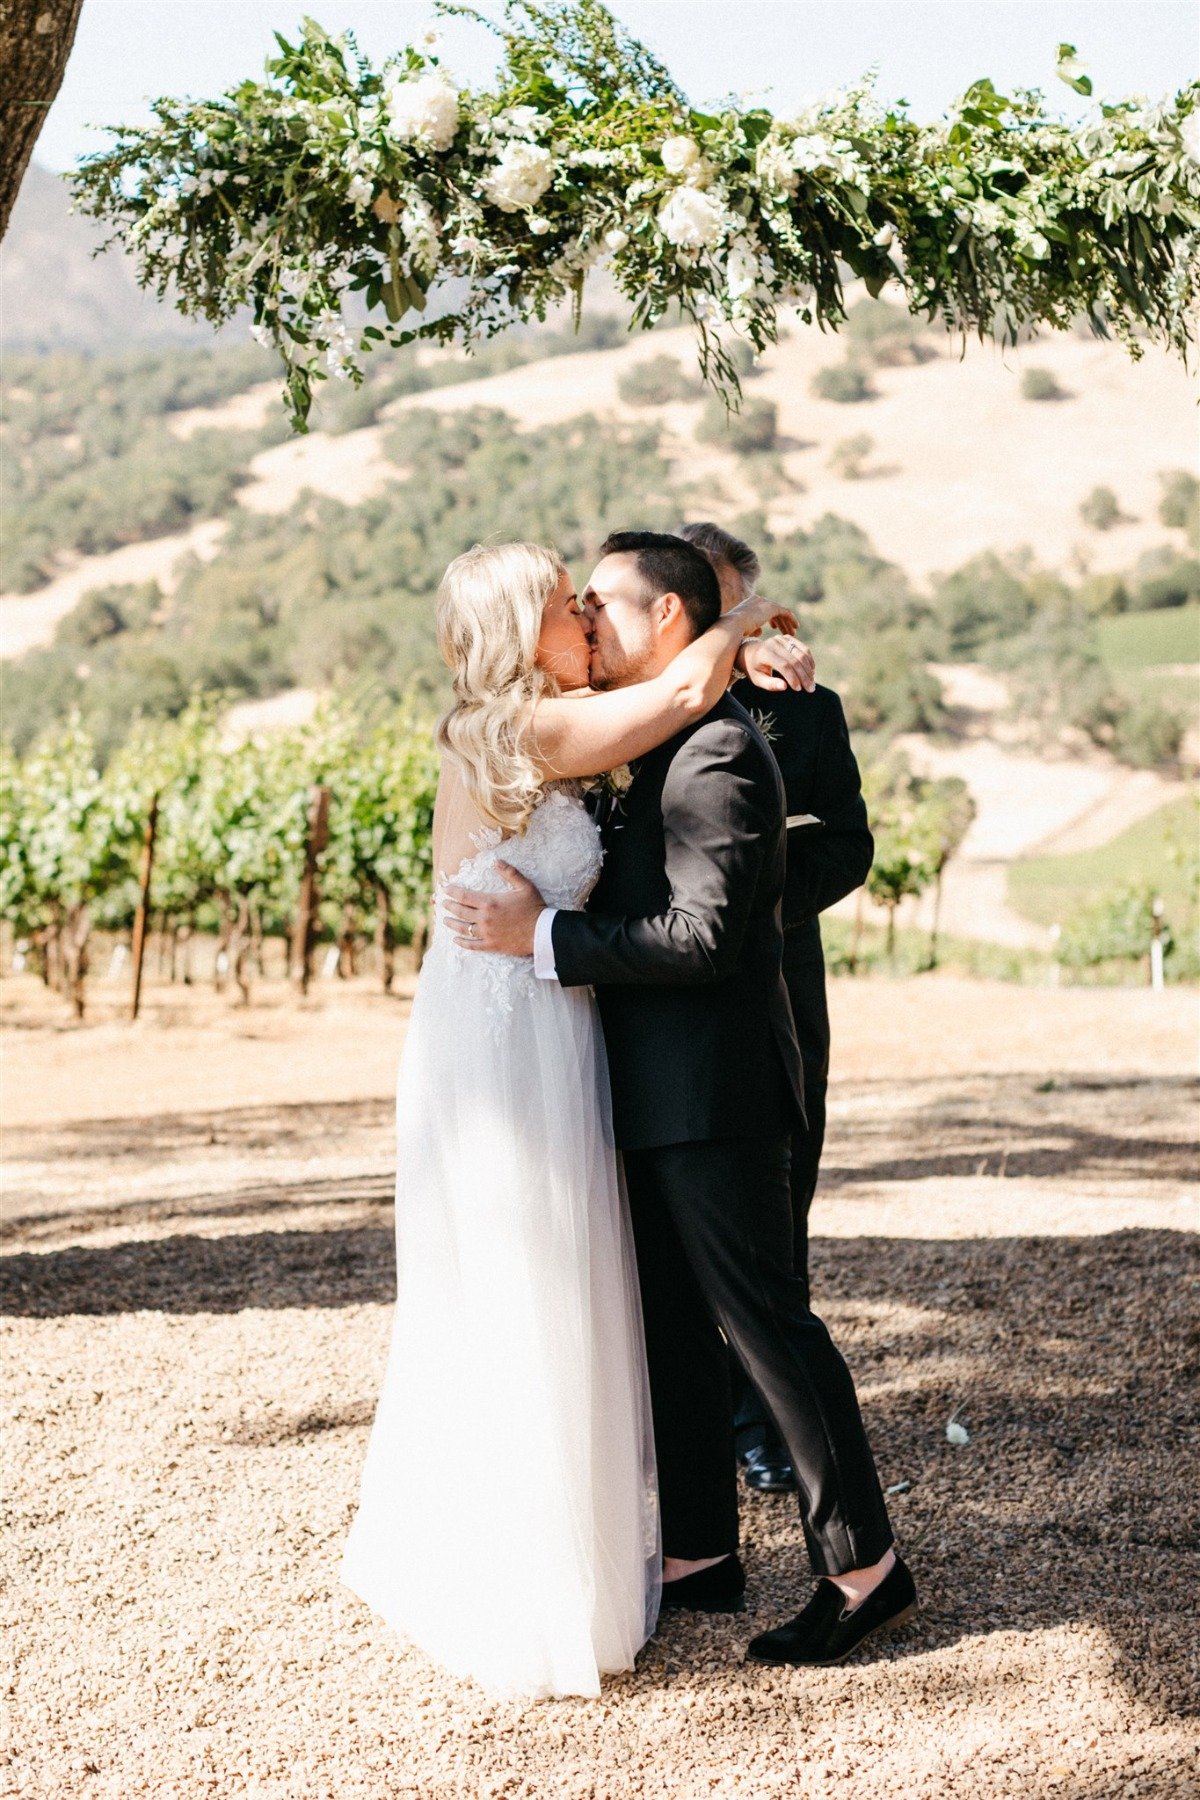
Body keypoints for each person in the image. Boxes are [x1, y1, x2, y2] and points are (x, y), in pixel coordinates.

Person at [450, 531, 916, 1670]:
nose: (591, 622)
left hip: (712, 1090)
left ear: (670, 619)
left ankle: (864, 1569)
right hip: (640, 1085)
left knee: (766, 1327)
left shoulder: (713, 749)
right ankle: (699, 1553)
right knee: (669, 1326)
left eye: (601, 604)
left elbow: (706, 934)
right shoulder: (644, 743)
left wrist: (549, 936)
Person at [340, 539, 796, 1700]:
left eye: (588, 603)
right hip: (499, 1037)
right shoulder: (512, 730)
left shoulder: (550, 724)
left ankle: (580, 1561)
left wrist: (753, 643)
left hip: (552, 1018)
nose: (586, 617)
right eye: (562, 607)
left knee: (574, 1283)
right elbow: (690, 687)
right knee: (523, 1282)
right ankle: (524, 1585)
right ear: (515, 632)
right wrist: (749, 613)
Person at [680, 521, 874, 1498]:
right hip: (653, 994)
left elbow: (848, 844)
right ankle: (700, 1416)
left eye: (727, 605)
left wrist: (755, 912)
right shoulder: (634, 708)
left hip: (783, 990)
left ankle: (763, 1426)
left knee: (779, 1203)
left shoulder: (808, 707)